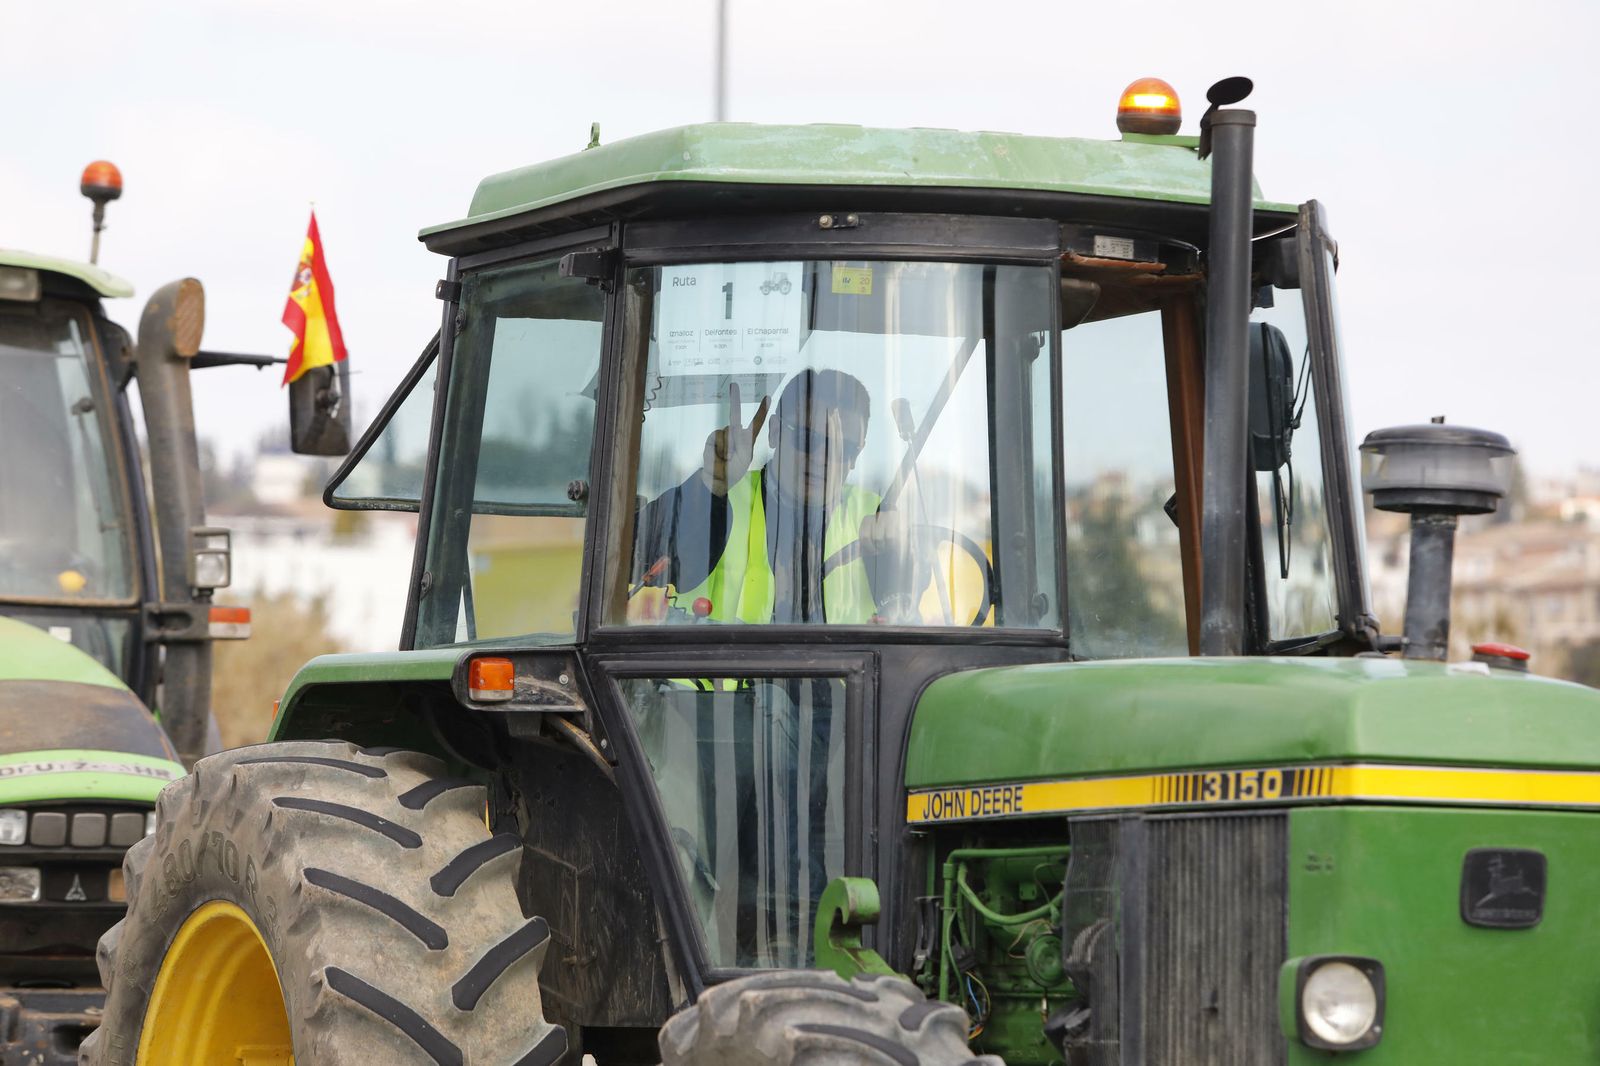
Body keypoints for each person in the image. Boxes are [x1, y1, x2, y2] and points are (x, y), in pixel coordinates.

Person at [634, 368, 917, 624]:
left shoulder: (878, 516)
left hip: (844, 681)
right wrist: (708, 486)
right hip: (713, 681)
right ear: (774, 432)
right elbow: (634, 557)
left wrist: (898, 559)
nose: (821, 458)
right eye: (809, 439)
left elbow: (916, 605)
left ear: (858, 453)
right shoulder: (720, 496)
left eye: (842, 448)